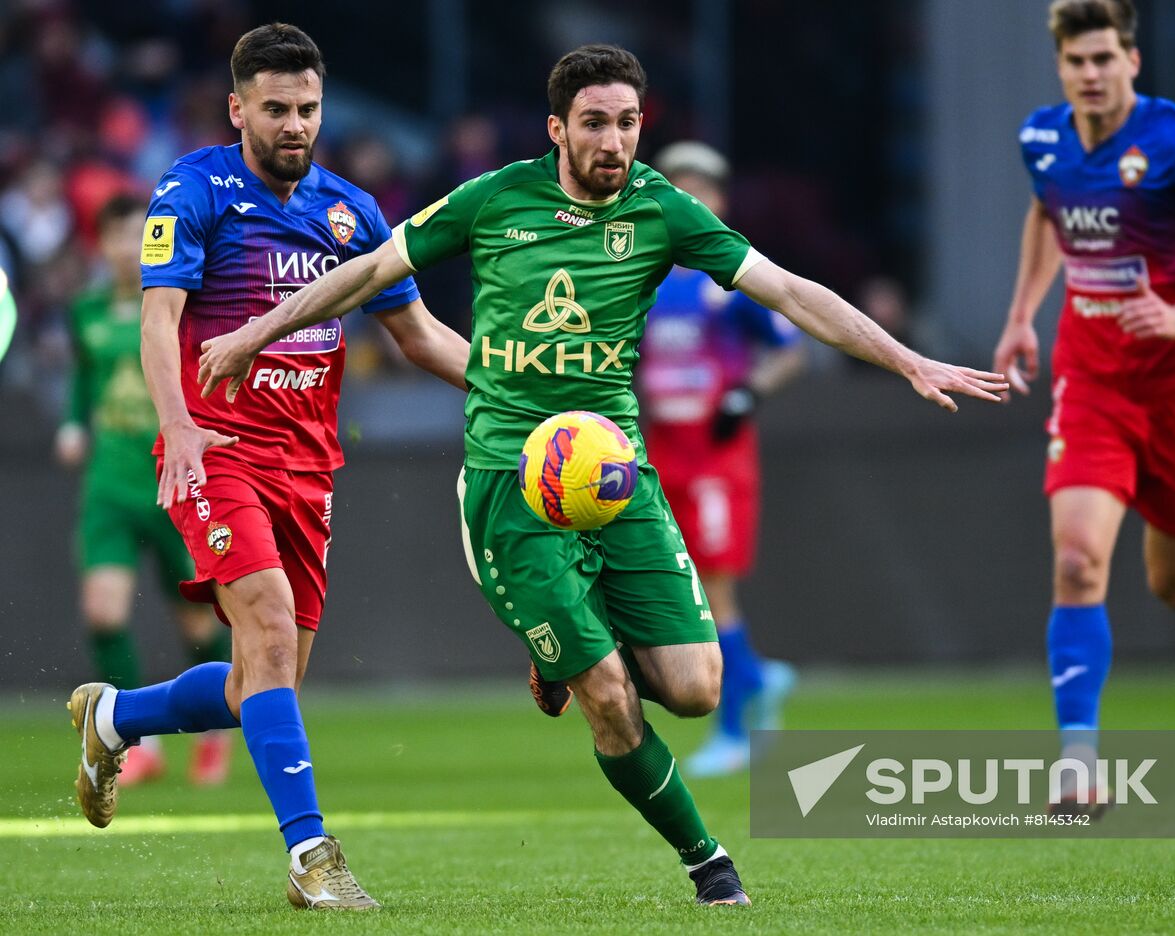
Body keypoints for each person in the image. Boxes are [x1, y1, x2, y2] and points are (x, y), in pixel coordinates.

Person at [197, 44, 1007, 907]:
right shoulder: (496, 198)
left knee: (696, 689)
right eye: (594, 124)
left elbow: (790, 292)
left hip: (615, 478)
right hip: (513, 483)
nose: (614, 141)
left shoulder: (664, 210)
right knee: (612, 698)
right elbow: (368, 272)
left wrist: (906, 359)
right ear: (557, 129)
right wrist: (255, 333)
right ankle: (710, 866)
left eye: (627, 123)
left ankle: (581, 649)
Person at [64, 23, 471, 910]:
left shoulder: (353, 213)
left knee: (263, 680)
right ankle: (313, 859)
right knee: (272, 634)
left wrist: (515, 385)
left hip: (308, 466)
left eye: (309, 108)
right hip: (215, 451)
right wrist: (176, 428)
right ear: (238, 107)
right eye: (277, 108)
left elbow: (420, 336)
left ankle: (113, 717)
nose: (295, 124)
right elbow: (158, 319)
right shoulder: (195, 188)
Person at [993, 0, 1175, 814]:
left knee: (1173, 586)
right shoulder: (1043, 139)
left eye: (1104, 60)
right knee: (1079, 561)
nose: (1090, 75)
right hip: (1091, 383)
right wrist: (1021, 316)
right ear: (1061, 67)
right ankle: (1078, 765)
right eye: (1076, 62)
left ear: (1132, 61)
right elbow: (1048, 212)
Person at [637, 141, 804, 778]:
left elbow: (789, 350)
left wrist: (748, 390)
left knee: (713, 591)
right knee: (686, 587)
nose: (688, 200)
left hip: (716, 456)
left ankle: (736, 728)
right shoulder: (645, 278)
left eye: (699, 190)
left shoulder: (730, 277)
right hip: (656, 455)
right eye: (677, 188)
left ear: (718, 200)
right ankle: (758, 677)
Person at [55, 194, 233, 787]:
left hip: (172, 474)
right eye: (115, 236)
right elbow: (85, 377)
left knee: (198, 624)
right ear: (100, 244)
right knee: (102, 610)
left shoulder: (175, 302)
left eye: (138, 236)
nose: (126, 249)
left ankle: (214, 732)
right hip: (110, 480)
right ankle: (139, 743)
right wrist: (74, 422)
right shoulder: (84, 311)